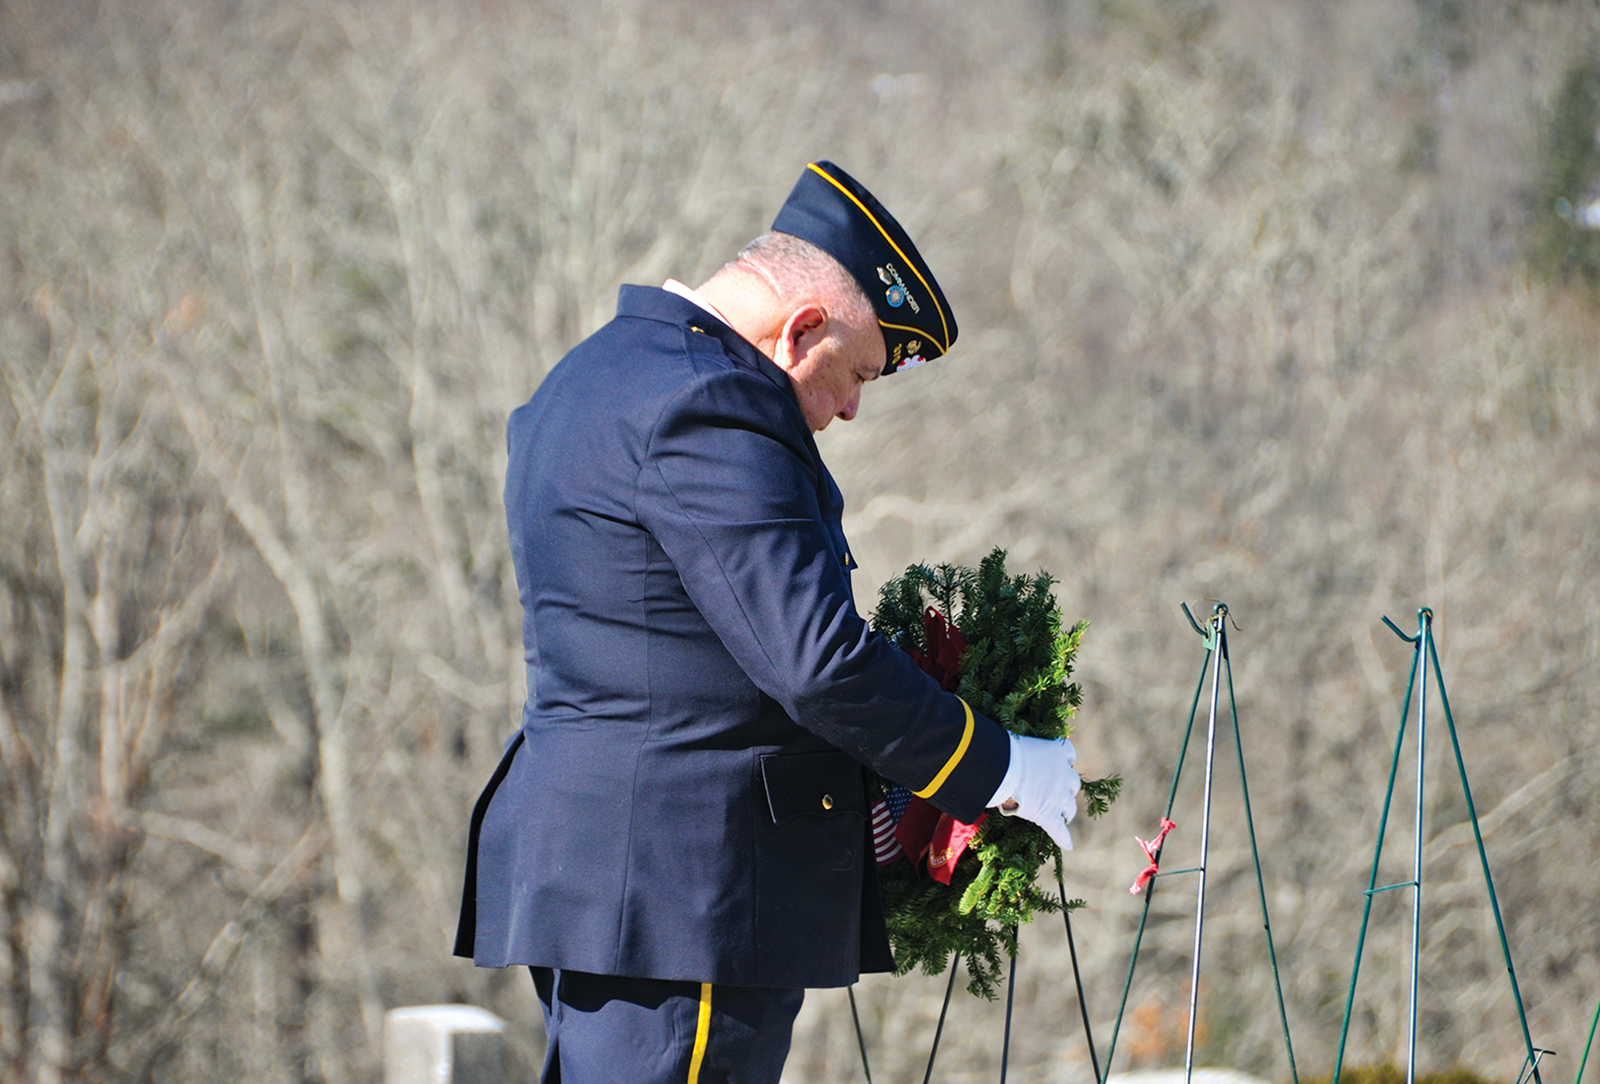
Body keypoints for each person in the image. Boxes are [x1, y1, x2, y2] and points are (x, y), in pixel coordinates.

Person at [454, 161, 1082, 1084]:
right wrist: (999, 767)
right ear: (801, 331)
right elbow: (815, 662)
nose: (852, 408)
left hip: (614, 878)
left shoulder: (590, 376)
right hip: (689, 892)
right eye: (857, 373)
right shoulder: (713, 401)